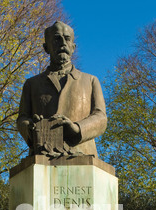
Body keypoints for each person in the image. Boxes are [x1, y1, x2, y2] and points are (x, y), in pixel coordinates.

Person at [17, 21, 107, 157]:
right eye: (57, 39)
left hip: (82, 154)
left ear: (73, 47)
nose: (63, 43)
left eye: (67, 39)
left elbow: (101, 117)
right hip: (42, 155)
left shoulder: (90, 81)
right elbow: (22, 118)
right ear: (46, 47)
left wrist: (77, 128)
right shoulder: (32, 84)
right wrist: (30, 127)